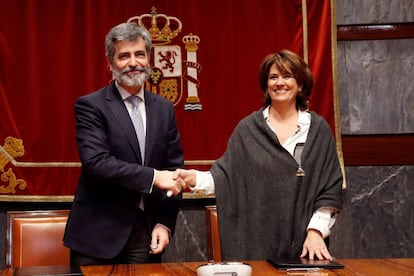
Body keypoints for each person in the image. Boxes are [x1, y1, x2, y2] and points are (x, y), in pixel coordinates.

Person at [175, 50, 343, 261]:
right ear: (266, 86)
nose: (279, 83)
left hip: (307, 249)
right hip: (256, 247)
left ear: (300, 84)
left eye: (287, 76)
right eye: (273, 77)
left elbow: (330, 188)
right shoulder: (248, 129)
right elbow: (226, 178)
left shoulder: (318, 130)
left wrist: (316, 231)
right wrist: (193, 179)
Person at [64, 22, 185, 266]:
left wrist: (165, 223)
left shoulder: (163, 109)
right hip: (97, 236)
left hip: (146, 235)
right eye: (124, 56)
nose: (133, 62)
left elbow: (174, 172)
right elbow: (96, 163)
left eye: (139, 54)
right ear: (110, 64)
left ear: (148, 60)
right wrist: (153, 177)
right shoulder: (91, 106)